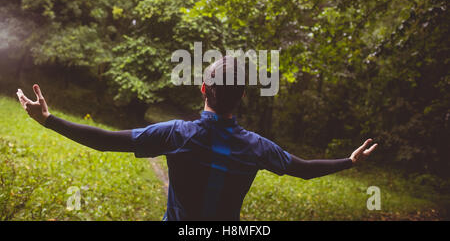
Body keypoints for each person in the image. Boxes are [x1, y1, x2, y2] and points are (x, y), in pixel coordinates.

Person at [16, 56, 377, 221]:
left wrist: (48, 120)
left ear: (204, 88)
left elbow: (105, 140)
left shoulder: (177, 134)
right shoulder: (257, 148)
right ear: (243, 98)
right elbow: (305, 169)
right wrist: (349, 161)